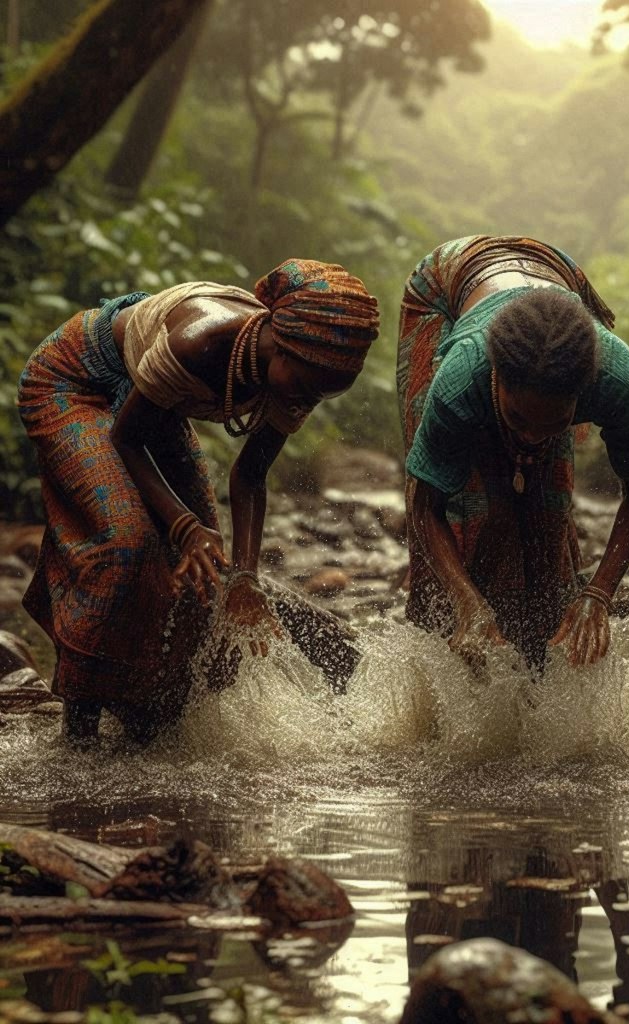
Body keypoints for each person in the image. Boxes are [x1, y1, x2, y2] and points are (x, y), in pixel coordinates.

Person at [18, 259, 380, 743]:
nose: (308, 399)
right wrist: (184, 526)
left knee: (207, 574)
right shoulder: (202, 342)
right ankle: (79, 724)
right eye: (305, 382)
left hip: (154, 401)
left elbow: (251, 474)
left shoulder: (310, 372)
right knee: (125, 544)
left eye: (323, 392)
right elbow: (127, 439)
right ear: (281, 341)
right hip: (75, 382)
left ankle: (151, 711)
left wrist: (247, 579)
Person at [397, 235, 629, 673]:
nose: (535, 438)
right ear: (496, 378)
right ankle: (450, 648)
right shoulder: (463, 376)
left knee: (547, 511)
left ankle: (542, 654)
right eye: (520, 420)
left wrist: (599, 595)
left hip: (553, 271)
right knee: (472, 509)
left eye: (555, 424)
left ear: (582, 394)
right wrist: (468, 604)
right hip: (443, 289)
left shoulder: (615, 378)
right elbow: (425, 503)